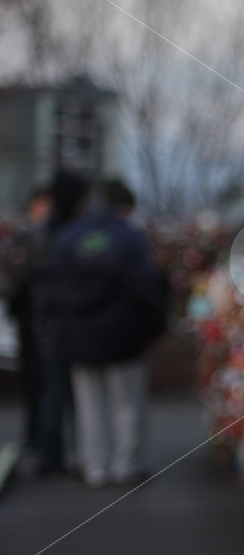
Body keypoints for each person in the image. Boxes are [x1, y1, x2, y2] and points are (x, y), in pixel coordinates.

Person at [35, 179, 167, 486]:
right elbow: (148, 290)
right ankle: (127, 464)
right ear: (124, 207)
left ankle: (94, 466)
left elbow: (49, 287)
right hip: (123, 335)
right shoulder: (131, 239)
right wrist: (155, 328)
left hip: (77, 335)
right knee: (127, 403)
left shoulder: (67, 237)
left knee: (87, 405)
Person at [32, 172, 89, 474]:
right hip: (65, 321)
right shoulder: (68, 234)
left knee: (53, 392)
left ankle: (50, 456)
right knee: (65, 393)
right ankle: (67, 456)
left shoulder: (47, 231)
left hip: (49, 322)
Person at [5, 190, 52, 454]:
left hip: (42, 319)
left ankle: (42, 435)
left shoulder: (48, 235)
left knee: (45, 380)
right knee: (33, 378)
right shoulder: (24, 237)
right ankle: (35, 434)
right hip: (28, 318)